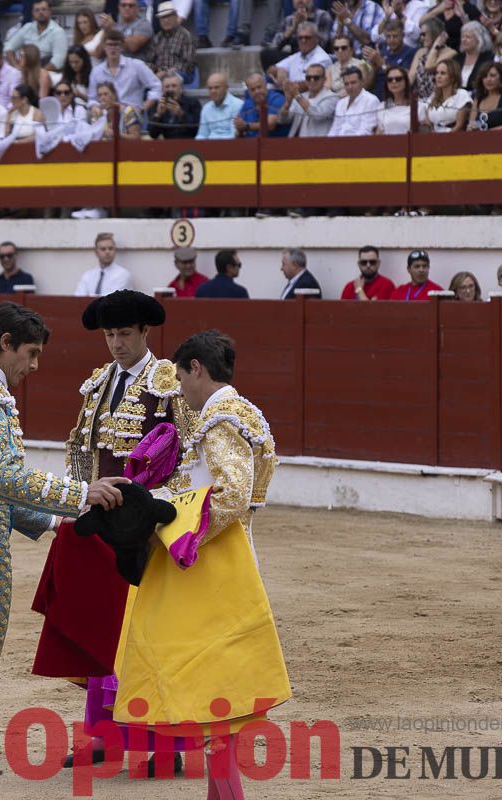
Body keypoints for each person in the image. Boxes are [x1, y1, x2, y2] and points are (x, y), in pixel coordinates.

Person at [0, 302, 127, 800]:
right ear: (6, 342)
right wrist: (83, 496)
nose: (33, 367)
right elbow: (4, 478)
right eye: (31, 354)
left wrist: (55, 521)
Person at [112, 329, 290, 800]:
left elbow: (228, 493)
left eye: (182, 380)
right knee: (217, 686)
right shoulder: (239, 412)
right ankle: (219, 792)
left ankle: (225, 795)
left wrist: (177, 530)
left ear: (197, 368)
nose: (179, 393)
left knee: (210, 684)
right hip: (229, 557)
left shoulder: (220, 420)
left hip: (212, 565)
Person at [31, 289, 188, 774]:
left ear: (145, 333)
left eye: (125, 334)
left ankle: (166, 749)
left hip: (143, 527)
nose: (116, 343)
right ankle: (103, 736)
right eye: (110, 334)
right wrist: (79, 505)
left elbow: (186, 456)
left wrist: (157, 516)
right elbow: (82, 456)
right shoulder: (98, 382)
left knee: (149, 635)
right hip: (102, 524)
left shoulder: (168, 383)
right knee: (104, 628)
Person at [88, 30, 161, 115]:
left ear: (122, 46)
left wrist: (144, 107)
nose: (113, 48)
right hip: (107, 117)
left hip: (132, 115)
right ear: (104, 47)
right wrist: (95, 107)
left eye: (116, 45)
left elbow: (156, 86)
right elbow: (92, 98)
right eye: (109, 45)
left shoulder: (136, 65)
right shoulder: (97, 71)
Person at [4, 0, 68, 71]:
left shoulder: (58, 32)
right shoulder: (27, 28)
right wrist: (16, 66)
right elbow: (8, 47)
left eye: (43, 9)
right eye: (37, 10)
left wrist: (38, 75)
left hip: (48, 73)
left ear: (50, 12)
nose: (40, 12)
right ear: (32, 13)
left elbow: (58, 61)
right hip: (27, 71)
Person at [278, 62, 338, 136]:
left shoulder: (332, 97)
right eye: (308, 78)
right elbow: (282, 120)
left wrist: (297, 95)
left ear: (324, 79)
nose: (312, 80)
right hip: (296, 143)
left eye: (316, 78)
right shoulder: (300, 97)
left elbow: (317, 115)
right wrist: (287, 103)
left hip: (319, 144)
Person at [418, 57, 472, 131]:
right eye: (437, 73)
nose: (438, 77)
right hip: (433, 138)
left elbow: (460, 126)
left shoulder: (461, 94)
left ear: (453, 77)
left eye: (443, 73)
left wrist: (443, 141)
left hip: (454, 138)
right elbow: (428, 123)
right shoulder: (433, 96)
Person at [149, 1, 195, 81]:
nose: (166, 20)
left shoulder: (185, 36)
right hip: (159, 75)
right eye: (163, 18)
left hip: (180, 74)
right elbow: (150, 60)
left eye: (169, 16)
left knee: (171, 79)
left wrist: (166, 73)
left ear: (176, 17)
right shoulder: (157, 38)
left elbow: (187, 63)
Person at [328, 65, 379, 135]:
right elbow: (335, 129)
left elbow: (366, 131)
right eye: (346, 84)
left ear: (362, 82)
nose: (350, 87)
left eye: (353, 82)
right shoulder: (341, 103)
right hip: (338, 143)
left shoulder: (371, 100)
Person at [148, 73, 202, 139]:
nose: (170, 89)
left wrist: (181, 114)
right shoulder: (158, 105)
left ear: (181, 89)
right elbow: (153, 135)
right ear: (162, 90)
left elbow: (197, 131)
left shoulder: (193, 103)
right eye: (167, 87)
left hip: (188, 144)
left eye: (174, 86)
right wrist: (158, 115)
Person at [466, 61, 502, 129]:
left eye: (492, 75)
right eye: (485, 76)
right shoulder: (478, 98)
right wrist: (473, 127)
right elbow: (471, 124)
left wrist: (488, 133)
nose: (488, 79)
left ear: (501, 78)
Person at [196, 71, 244, 139]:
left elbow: (234, 135)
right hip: (208, 146)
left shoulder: (238, 105)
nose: (213, 91)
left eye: (216, 87)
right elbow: (202, 134)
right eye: (210, 88)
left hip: (230, 146)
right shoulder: (206, 108)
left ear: (226, 88)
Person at [374, 65, 413, 134]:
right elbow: (378, 135)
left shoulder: (418, 106)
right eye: (389, 80)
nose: (394, 82)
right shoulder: (381, 107)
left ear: (406, 81)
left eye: (398, 79)